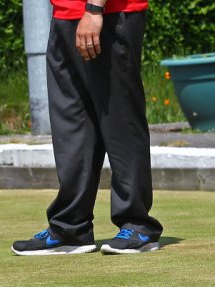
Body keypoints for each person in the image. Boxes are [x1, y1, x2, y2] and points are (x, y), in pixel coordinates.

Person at [11, 0, 162, 256]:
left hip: (108, 13)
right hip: (65, 15)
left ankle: (138, 225)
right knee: (73, 125)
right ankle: (70, 228)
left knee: (120, 119)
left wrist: (94, 9)